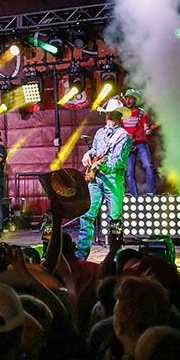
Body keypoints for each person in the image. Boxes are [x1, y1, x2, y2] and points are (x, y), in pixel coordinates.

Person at [77, 98, 133, 259]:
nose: (109, 116)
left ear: (118, 115)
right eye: (108, 113)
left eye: (112, 114)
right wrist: (88, 154)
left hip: (113, 179)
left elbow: (116, 162)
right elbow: (95, 150)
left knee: (114, 219)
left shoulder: (124, 137)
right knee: (87, 215)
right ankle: (81, 255)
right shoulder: (100, 133)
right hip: (96, 179)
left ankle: (115, 257)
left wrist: (100, 166)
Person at [121, 89, 156, 196]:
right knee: (129, 172)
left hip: (140, 143)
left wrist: (148, 131)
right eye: (127, 98)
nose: (128, 101)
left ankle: (151, 192)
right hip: (128, 145)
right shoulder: (122, 114)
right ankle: (133, 194)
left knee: (148, 166)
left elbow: (146, 128)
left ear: (135, 100)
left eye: (131, 98)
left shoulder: (142, 113)